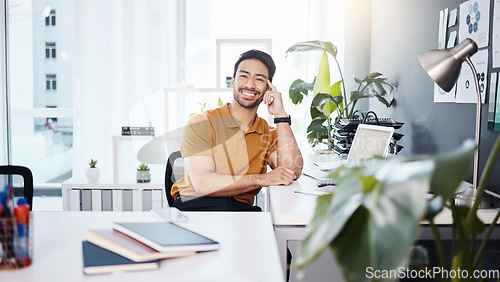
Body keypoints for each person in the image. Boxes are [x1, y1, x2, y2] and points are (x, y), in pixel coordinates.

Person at [170, 49, 303, 211]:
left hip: (239, 211)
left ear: (268, 89)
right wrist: (263, 179)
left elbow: (291, 171)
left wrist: (280, 116)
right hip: (195, 207)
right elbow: (203, 185)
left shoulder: (268, 133)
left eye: (259, 79)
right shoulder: (202, 123)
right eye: (243, 76)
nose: (250, 84)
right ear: (232, 82)